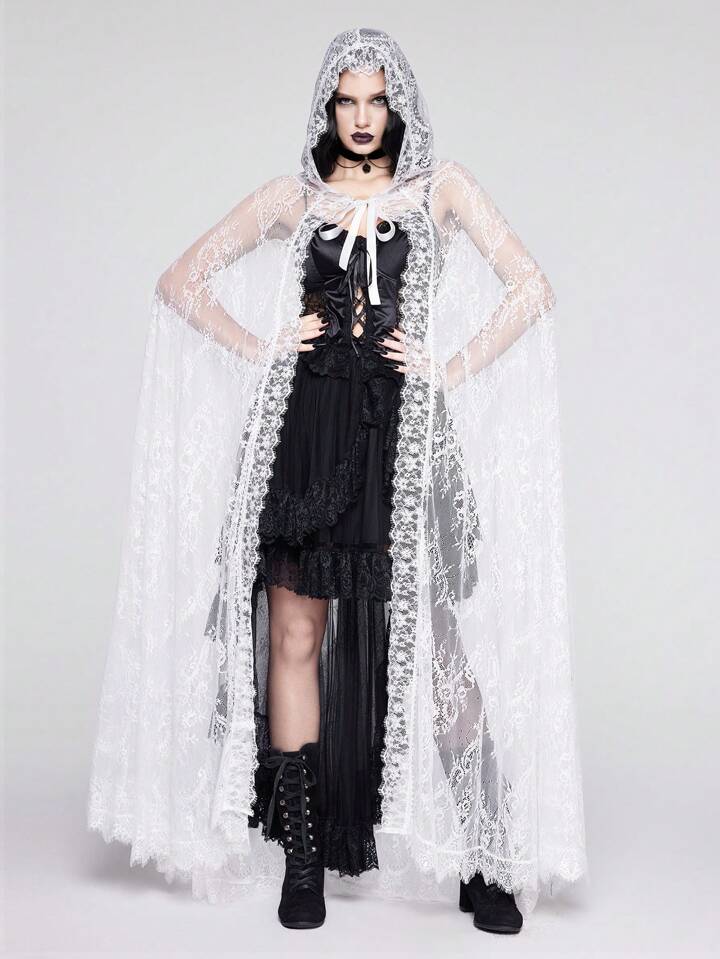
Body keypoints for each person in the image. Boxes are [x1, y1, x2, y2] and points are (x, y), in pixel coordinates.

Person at [87, 27, 587, 935]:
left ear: (399, 105)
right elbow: (181, 279)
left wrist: (448, 365)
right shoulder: (295, 197)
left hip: (404, 436)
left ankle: (484, 853)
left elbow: (531, 287)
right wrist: (265, 346)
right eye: (347, 102)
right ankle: (304, 858)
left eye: (376, 101)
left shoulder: (441, 189)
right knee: (294, 632)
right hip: (306, 434)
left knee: (435, 642)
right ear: (327, 108)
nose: (362, 118)